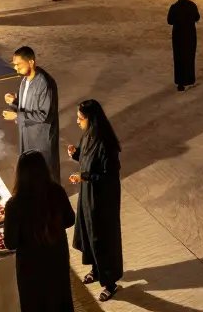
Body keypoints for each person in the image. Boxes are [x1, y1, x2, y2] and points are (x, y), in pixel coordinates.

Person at [4, 149, 77, 312]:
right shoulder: (57, 191)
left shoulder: (14, 205)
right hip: (57, 258)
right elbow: (70, 219)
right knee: (60, 299)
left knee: (35, 304)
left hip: (31, 267)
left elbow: (10, 243)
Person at [67, 99, 124, 302]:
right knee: (88, 233)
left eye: (80, 118)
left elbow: (109, 177)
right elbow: (86, 158)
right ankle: (96, 270)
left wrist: (85, 177)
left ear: (91, 120)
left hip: (102, 199)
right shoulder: (89, 135)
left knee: (102, 238)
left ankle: (110, 283)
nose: (77, 121)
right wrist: (76, 155)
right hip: (88, 194)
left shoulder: (107, 143)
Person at [4, 47, 61, 182]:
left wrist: (17, 116)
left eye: (18, 64)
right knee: (30, 175)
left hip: (41, 140)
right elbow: (26, 107)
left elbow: (44, 115)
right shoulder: (24, 81)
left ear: (31, 62)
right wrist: (14, 102)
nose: (16, 69)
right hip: (26, 136)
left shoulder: (45, 84)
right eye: (14, 65)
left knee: (45, 177)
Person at [167, 0, 200, 91]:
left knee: (178, 58)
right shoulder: (192, 5)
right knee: (189, 56)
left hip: (178, 35)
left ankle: (180, 82)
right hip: (190, 34)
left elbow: (170, 21)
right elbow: (197, 18)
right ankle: (189, 79)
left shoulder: (174, 7)